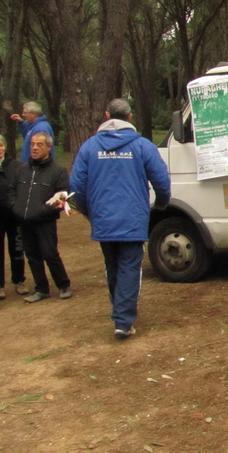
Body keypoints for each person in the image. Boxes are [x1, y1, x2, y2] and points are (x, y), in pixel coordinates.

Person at [70, 99, 171, 339]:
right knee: (129, 267)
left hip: (103, 217)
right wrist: (162, 202)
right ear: (130, 117)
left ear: (106, 115)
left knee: (112, 265)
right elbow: (161, 179)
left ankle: (120, 312)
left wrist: (87, 210)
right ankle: (123, 320)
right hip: (133, 217)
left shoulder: (89, 147)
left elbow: (76, 186)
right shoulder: (142, 146)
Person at [8, 132, 71, 303]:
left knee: (50, 253)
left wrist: (43, 210)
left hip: (45, 221)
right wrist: (16, 207)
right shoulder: (22, 169)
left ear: (49, 147)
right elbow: (12, 191)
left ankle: (63, 285)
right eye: (32, 144)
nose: (34, 148)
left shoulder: (57, 171)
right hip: (25, 221)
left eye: (39, 145)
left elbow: (62, 195)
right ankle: (41, 289)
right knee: (32, 256)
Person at [0, 133, 29, 309]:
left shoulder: (17, 166)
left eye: (1, 145)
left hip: (14, 216)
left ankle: (19, 280)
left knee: (17, 249)